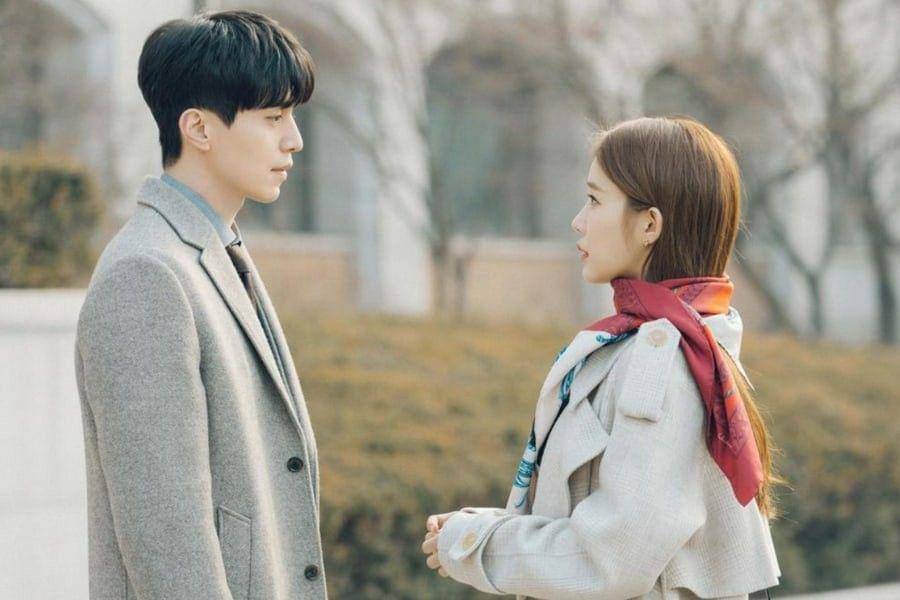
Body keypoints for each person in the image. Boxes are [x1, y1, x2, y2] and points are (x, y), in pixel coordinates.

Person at [422, 116, 782, 599]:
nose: (578, 221)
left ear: (649, 224)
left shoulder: (664, 359)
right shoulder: (678, 344)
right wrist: (483, 528)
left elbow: (612, 558)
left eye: (594, 200)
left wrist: (477, 545)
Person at [74, 10, 326, 598]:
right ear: (199, 128)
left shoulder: (215, 250)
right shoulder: (145, 274)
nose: (294, 139)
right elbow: (166, 539)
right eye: (273, 117)